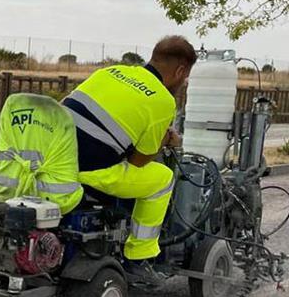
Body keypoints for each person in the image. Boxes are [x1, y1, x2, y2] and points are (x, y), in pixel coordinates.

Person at [62, 36, 195, 282]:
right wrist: (166, 141)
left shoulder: (109, 72)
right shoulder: (163, 100)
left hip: (58, 162)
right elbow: (139, 161)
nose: (183, 82)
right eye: (185, 77)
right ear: (180, 70)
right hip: (91, 171)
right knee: (163, 179)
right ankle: (138, 256)